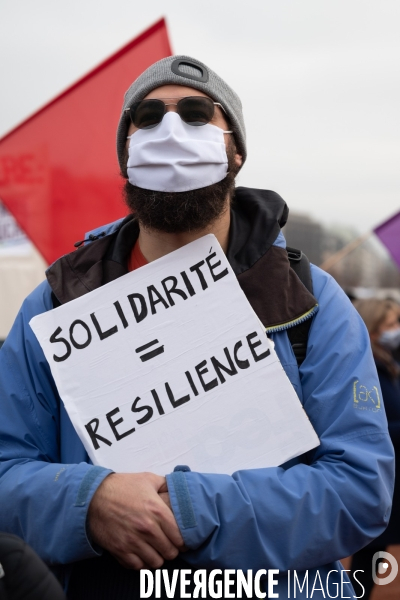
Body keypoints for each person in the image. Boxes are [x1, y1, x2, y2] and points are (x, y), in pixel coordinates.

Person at [0, 56, 395, 599]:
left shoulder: (312, 301)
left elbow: (359, 488)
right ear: (125, 153)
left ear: (235, 151)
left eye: (194, 113)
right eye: (147, 116)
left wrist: (190, 508)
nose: (170, 129)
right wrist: (88, 503)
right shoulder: (51, 308)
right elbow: (5, 470)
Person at [350, 298, 400, 598]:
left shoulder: (388, 362)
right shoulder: (366, 371)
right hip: (377, 478)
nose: (396, 330)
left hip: (391, 476)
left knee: (376, 553)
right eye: (391, 324)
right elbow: (366, 430)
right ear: (371, 329)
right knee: (369, 554)